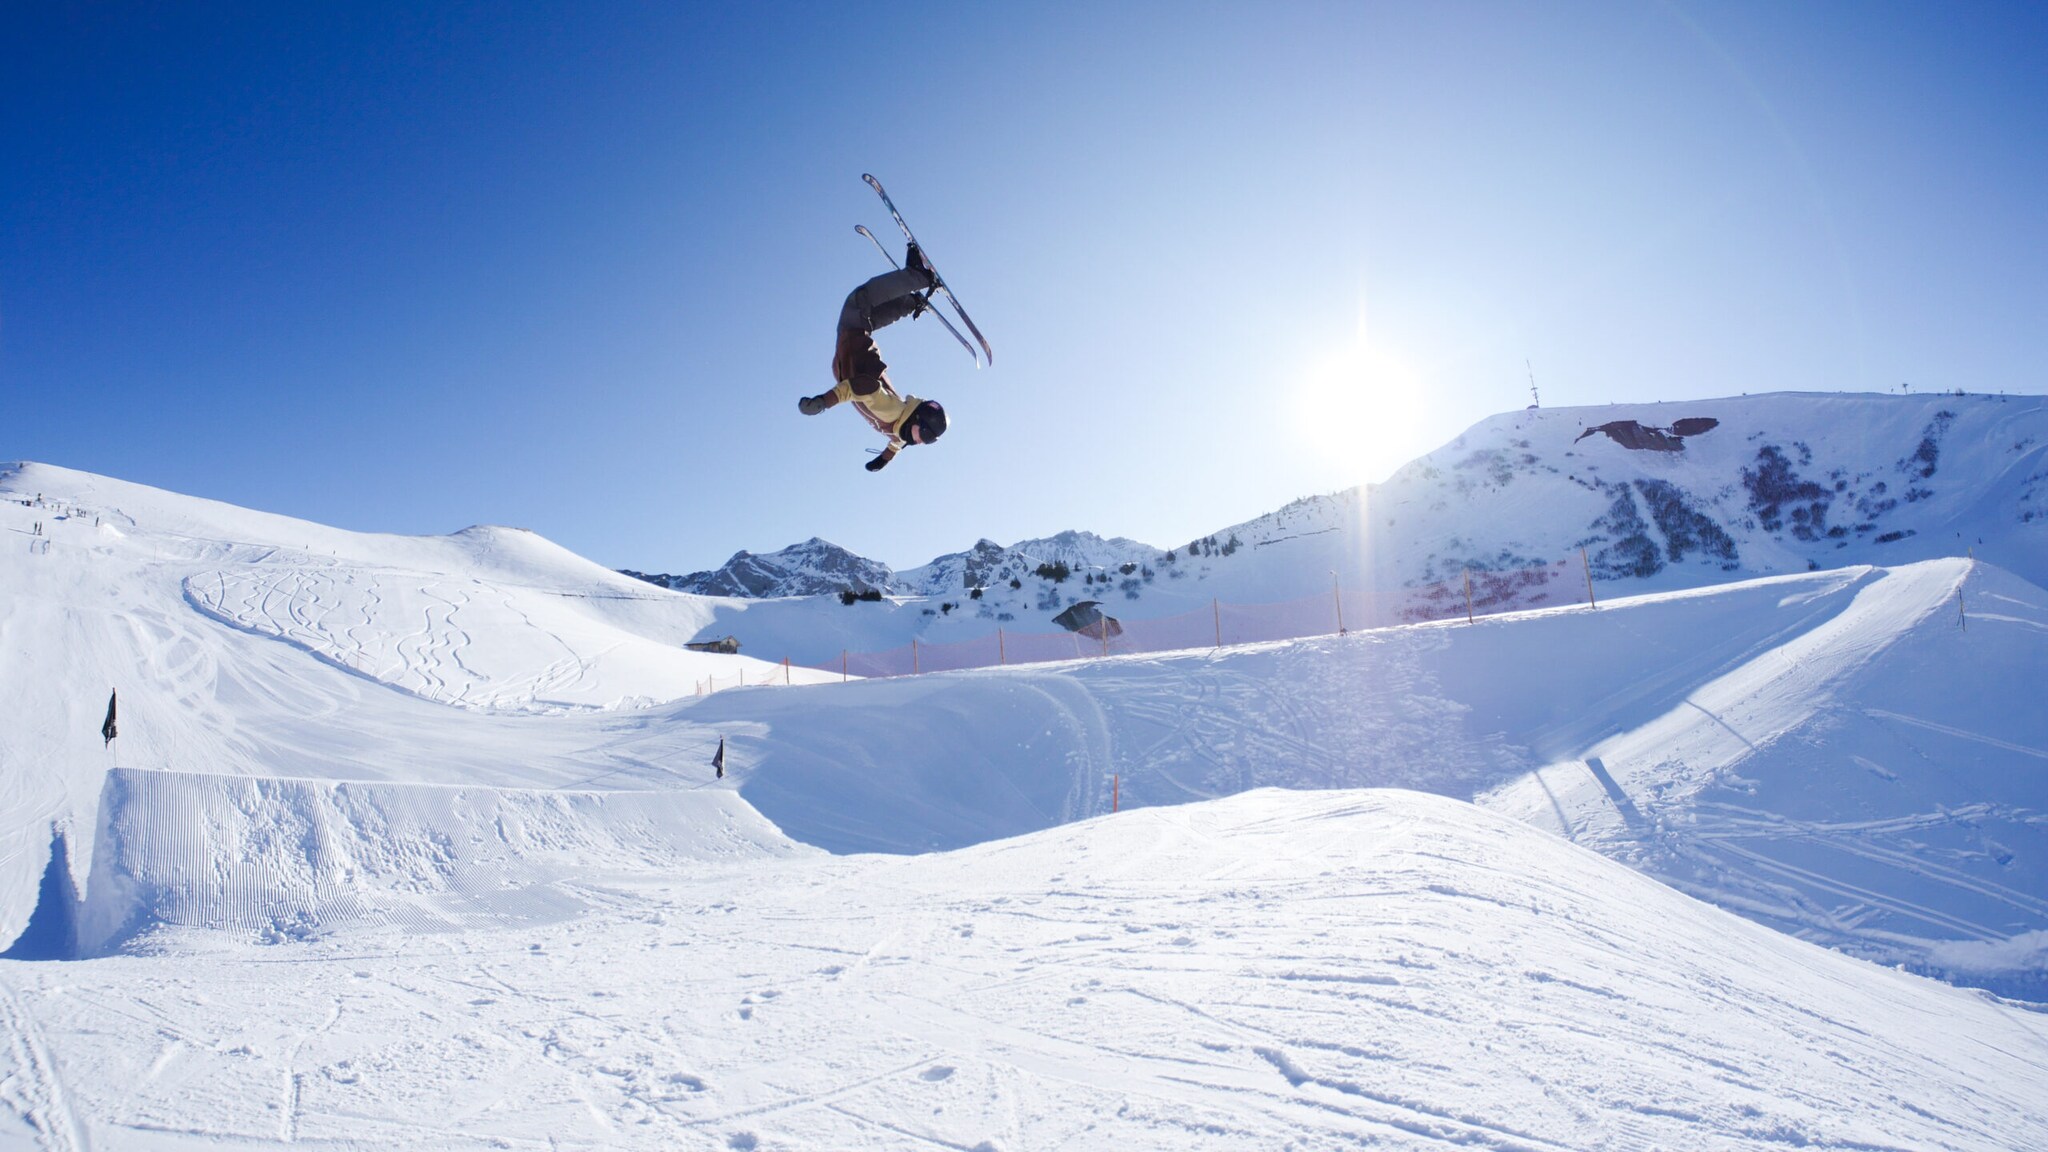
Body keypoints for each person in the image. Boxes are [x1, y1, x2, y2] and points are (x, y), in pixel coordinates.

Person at [797, 244, 949, 471]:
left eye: (927, 441)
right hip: (854, 354)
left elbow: (897, 443)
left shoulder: (900, 428)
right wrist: (823, 403)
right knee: (858, 303)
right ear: (919, 423)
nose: (920, 443)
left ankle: (912, 299)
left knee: (865, 317)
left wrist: (883, 460)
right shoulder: (892, 411)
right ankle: (917, 276)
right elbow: (861, 387)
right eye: (926, 438)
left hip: (852, 356)